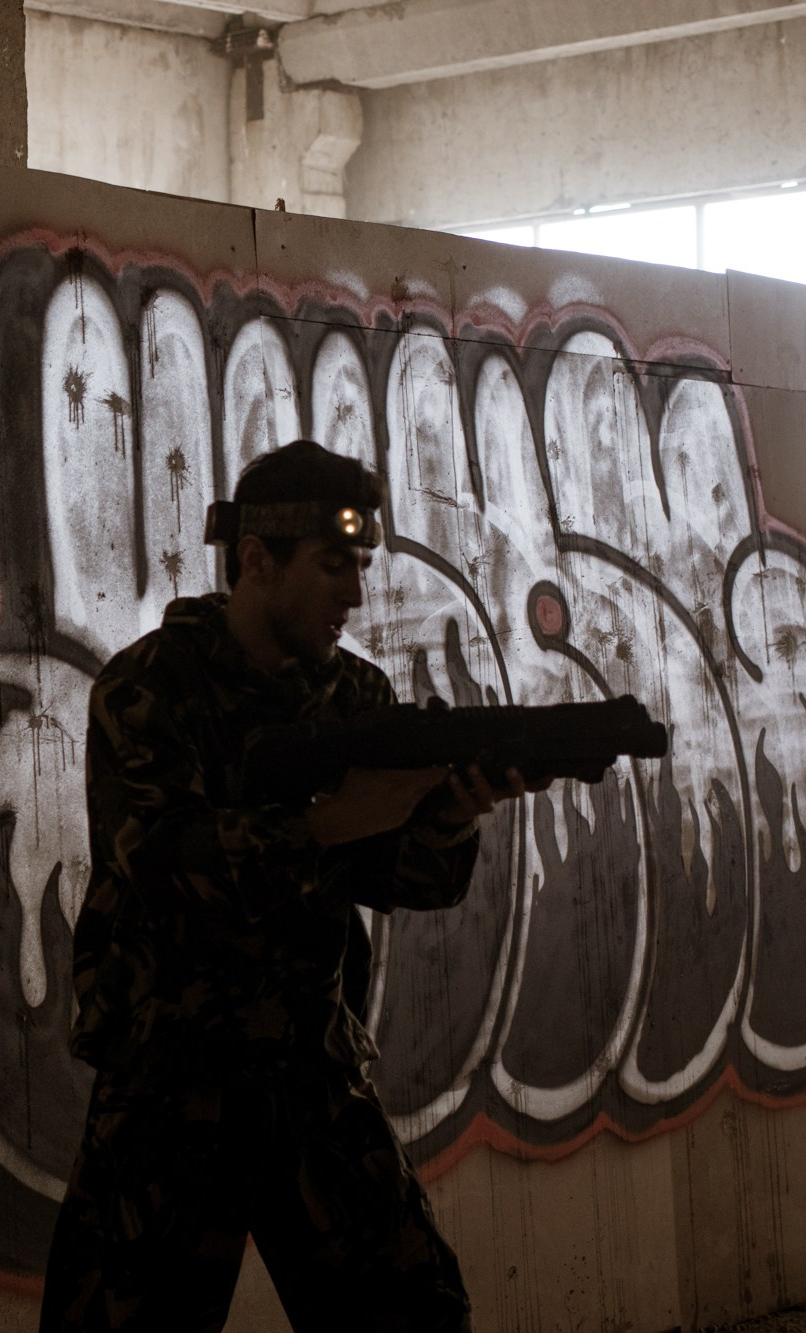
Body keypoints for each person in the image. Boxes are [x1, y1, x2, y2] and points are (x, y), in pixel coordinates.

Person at [40, 439, 537, 1332]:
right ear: (256, 561)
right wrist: (340, 816)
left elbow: (401, 878)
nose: (354, 592)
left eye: (362, 566)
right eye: (332, 565)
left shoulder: (353, 697)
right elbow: (163, 863)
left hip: (312, 1070)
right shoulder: (147, 689)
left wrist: (451, 812)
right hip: (168, 1078)